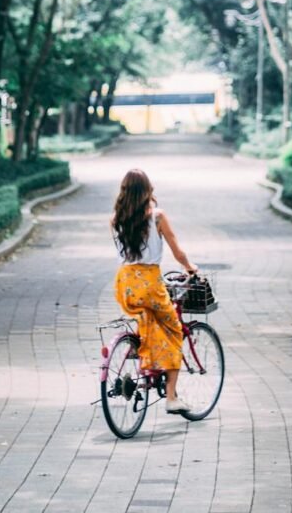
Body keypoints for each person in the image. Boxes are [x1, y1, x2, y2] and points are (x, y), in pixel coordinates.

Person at [111, 168, 198, 415]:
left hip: (125, 283)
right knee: (174, 330)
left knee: (147, 319)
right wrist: (190, 268)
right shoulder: (156, 217)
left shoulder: (115, 219)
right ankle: (171, 397)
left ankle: (144, 357)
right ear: (148, 190)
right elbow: (177, 252)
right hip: (149, 282)